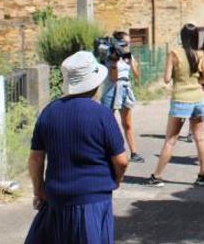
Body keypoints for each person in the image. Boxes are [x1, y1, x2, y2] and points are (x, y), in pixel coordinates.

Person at [26, 51, 129, 244]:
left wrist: (38, 190)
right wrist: (116, 179)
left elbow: (35, 159)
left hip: (56, 203)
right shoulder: (102, 115)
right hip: (93, 202)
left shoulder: (49, 113)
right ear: (95, 84)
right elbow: (121, 161)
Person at [146, 24, 204, 187]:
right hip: (198, 98)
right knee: (200, 138)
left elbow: (167, 79)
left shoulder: (174, 53)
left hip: (181, 99)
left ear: (182, 37)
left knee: (171, 140)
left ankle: (157, 176)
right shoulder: (200, 54)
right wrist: (196, 82)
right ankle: (202, 175)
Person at [99, 31, 145, 163]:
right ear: (118, 43)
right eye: (125, 43)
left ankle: (134, 153)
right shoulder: (110, 56)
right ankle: (106, 153)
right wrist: (114, 61)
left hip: (125, 89)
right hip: (111, 91)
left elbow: (137, 76)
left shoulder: (128, 56)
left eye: (129, 43)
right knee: (108, 123)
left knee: (128, 124)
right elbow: (113, 78)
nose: (128, 46)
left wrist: (131, 63)